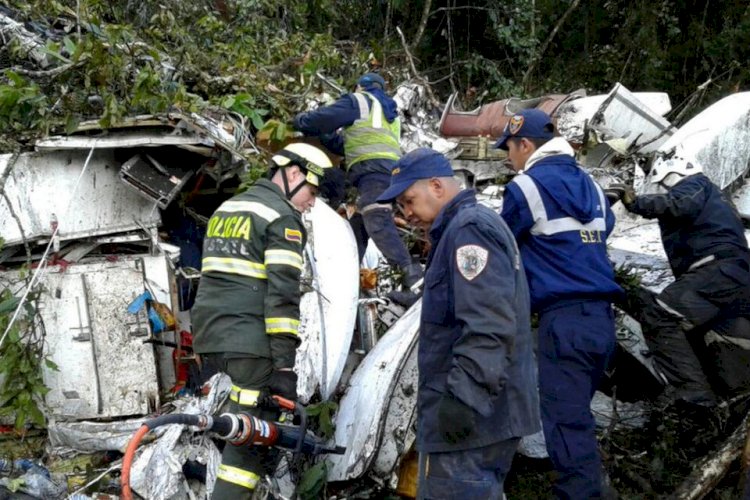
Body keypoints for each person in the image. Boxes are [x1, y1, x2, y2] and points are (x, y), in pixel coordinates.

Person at [376, 148, 540, 499]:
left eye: (409, 200)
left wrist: (462, 400)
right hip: (482, 416)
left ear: (436, 186)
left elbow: (489, 324)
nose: (407, 214)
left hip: (472, 420)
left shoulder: (469, 230)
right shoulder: (460, 228)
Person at [190, 143, 331, 499]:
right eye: (311, 192)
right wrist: (284, 369)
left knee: (232, 424)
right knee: (250, 442)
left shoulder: (228, 209)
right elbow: (282, 299)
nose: (311, 202)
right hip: (250, 345)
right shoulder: (282, 218)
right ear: (293, 174)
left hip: (211, 339)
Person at [497, 109, 623, 499]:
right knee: (577, 418)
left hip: (563, 321)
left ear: (525, 144)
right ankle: (593, 487)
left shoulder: (525, 188)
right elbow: (602, 234)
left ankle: (580, 494)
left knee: (567, 424)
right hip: (601, 322)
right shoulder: (593, 188)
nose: (507, 158)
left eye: (509, 149)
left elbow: (503, 247)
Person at [610, 153, 750, 403]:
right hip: (732, 280)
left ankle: (694, 393)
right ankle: (720, 396)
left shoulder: (695, 185)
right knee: (694, 330)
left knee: (661, 314)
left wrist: (637, 203)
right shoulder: (717, 200)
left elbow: (679, 203)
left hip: (716, 272)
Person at [293, 72, 423, 302]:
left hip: (373, 174)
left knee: (378, 222)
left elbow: (321, 118)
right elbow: (351, 144)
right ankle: (345, 282)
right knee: (357, 230)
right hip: (385, 174)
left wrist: (301, 122)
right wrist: (325, 137)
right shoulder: (389, 113)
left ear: (360, 87)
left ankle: (415, 285)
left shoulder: (360, 101)